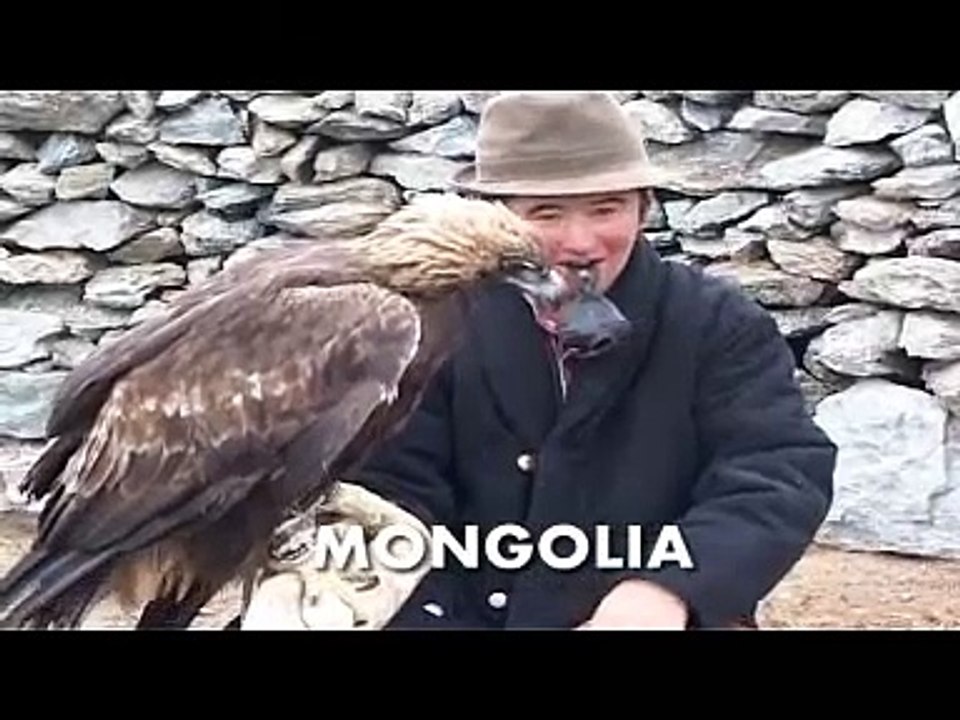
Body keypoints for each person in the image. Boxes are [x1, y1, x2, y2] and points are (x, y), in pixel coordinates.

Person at [241, 91, 837, 631]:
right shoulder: (429, 325)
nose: (580, 242)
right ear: (495, 217)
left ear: (644, 207)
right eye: (546, 213)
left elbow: (776, 470)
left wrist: (665, 590)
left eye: (607, 208)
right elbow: (391, 490)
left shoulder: (715, 322)